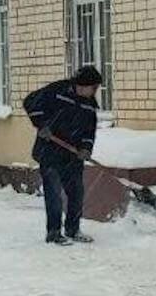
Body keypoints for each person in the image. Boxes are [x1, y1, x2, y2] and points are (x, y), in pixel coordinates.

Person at [24, 66, 103, 246]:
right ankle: (53, 233)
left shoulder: (89, 105)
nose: (95, 91)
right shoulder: (57, 91)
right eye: (94, 87)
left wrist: (85, 148)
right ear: (82, 85)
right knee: (53, 193)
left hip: (72, 155)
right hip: (49, 151)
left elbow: (89, 132)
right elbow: (30, 102)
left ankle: (73, 230)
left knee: (76, 192)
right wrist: (41, 125)